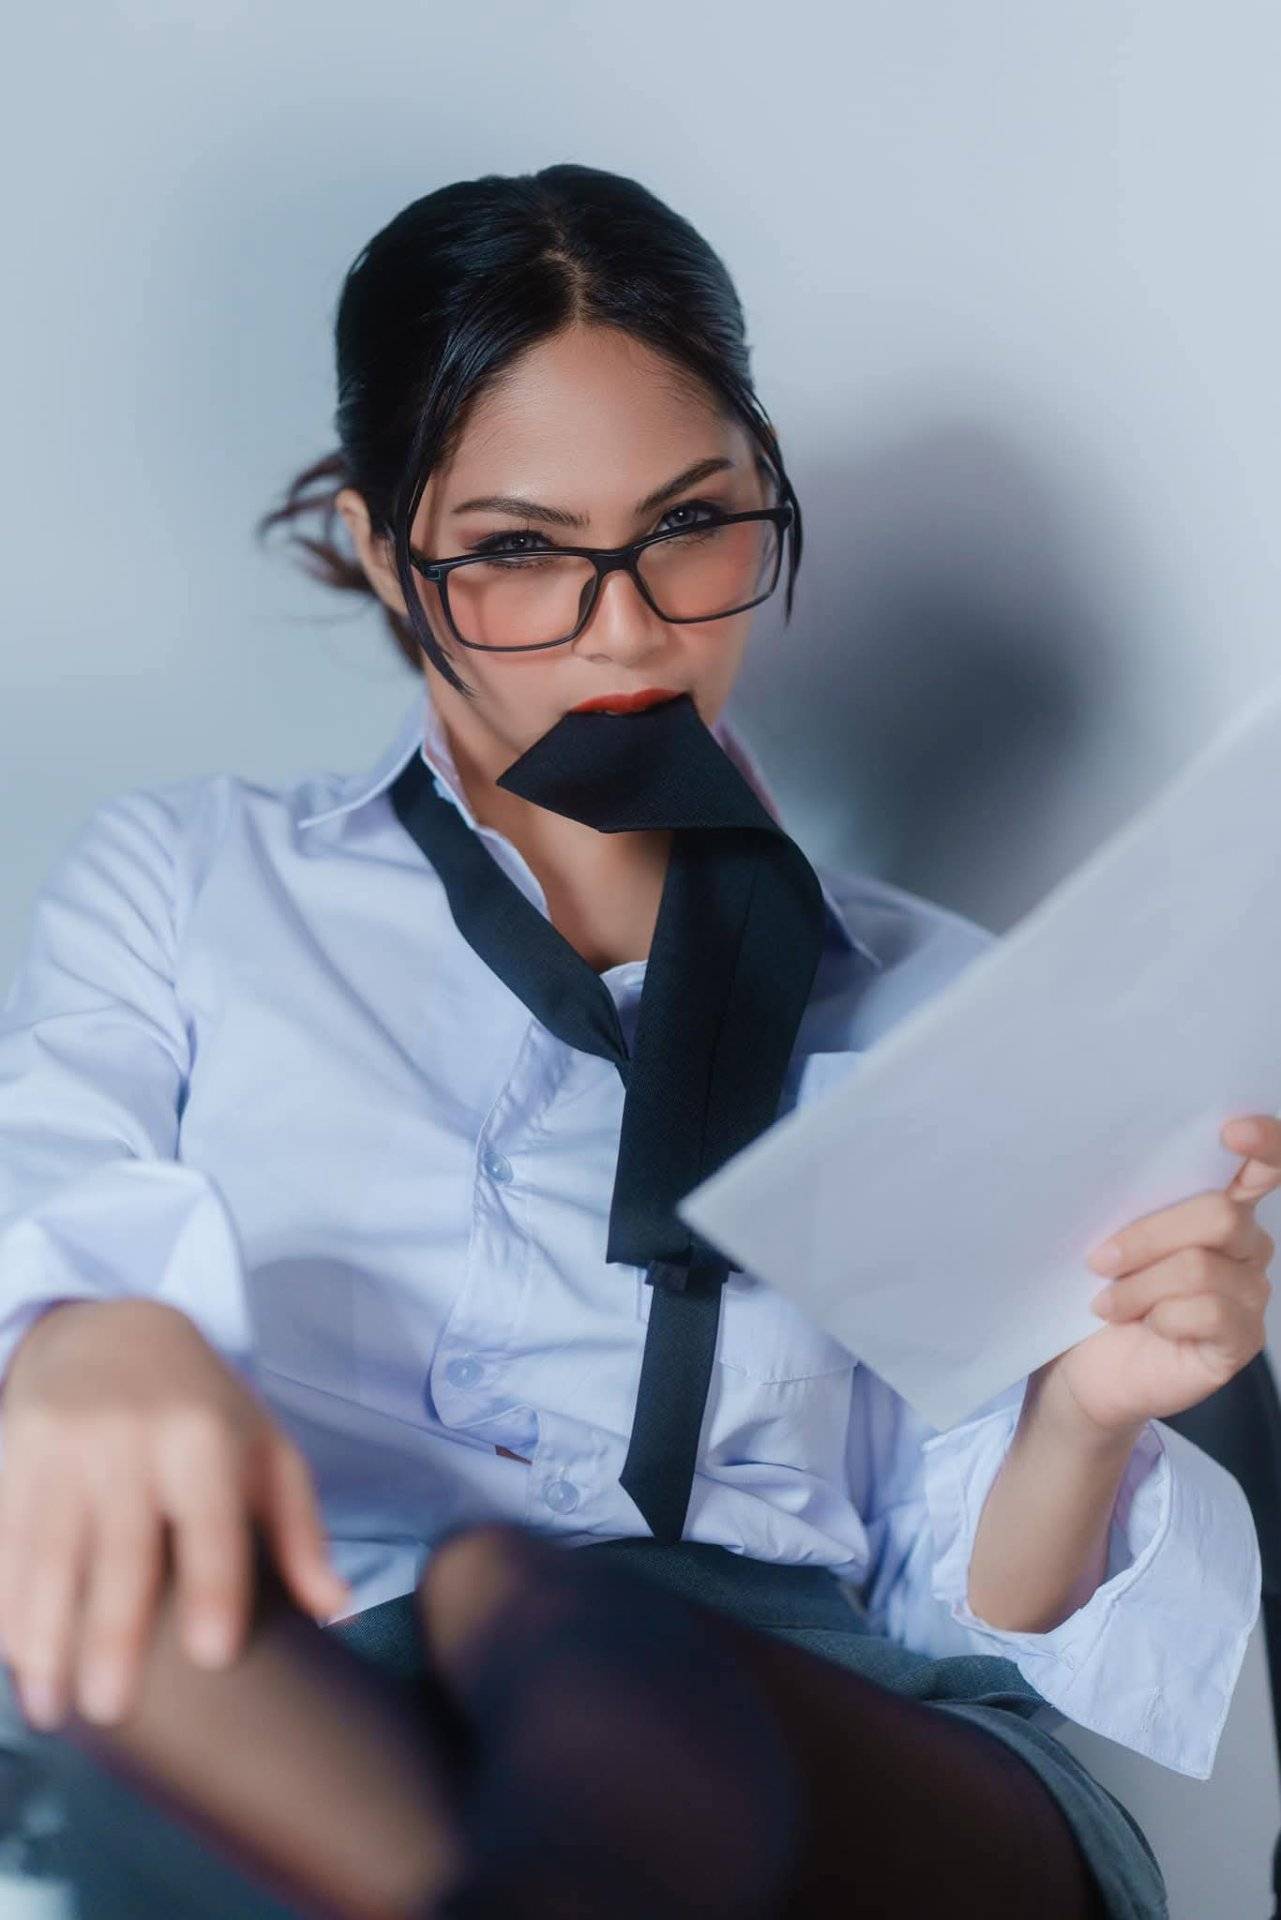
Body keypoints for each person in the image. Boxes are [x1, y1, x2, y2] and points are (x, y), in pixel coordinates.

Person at [0, 162, 1271, 1920]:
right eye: (519, 551)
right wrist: (81, 1333)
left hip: (837, 1747)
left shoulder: (945, 1003)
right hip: (327, 1690)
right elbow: (52, 1200)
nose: (628, 628)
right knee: (129, 1628)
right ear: (382, 550)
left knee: (539, 1602)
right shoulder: (192, 885)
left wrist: (1085, 1411)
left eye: (689, 525)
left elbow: (971, 1606)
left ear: (762, 492)